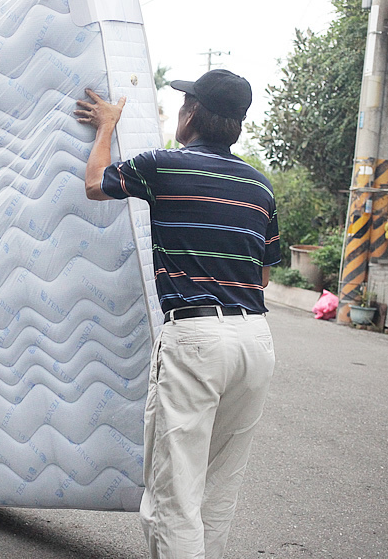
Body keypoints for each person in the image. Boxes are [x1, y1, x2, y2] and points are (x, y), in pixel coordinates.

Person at [74, 69, 279, 559]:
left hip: (197, 339)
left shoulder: (163, 166)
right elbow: (264, 276)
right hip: (255, 341)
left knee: (175, 491)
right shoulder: (260, 186)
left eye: (185, 105)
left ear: (192, 116)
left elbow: (95, 184)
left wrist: (106, 126)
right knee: (218, 487)